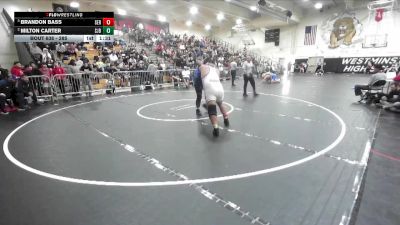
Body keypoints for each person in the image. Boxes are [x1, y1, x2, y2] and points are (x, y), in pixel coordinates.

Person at [199, 56, 229, 137]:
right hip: (219, 88)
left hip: (210, 88)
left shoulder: (203, 66)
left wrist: (201, 63)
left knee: (212, 108)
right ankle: (226, 118)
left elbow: (201, 75)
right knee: (220, 103)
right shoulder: (216, 70)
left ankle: (216, 128)